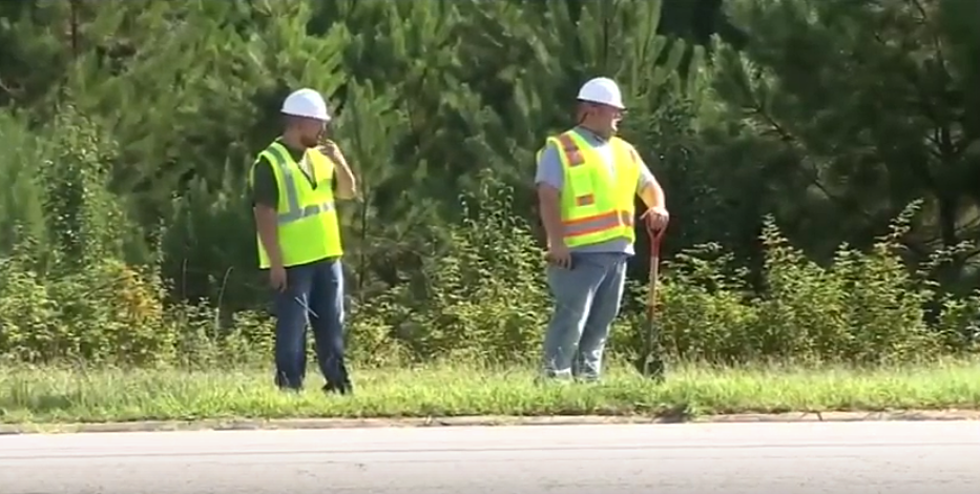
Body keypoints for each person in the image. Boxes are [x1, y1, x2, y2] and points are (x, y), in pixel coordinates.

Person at [534, 76, 670, 381]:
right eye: (614, 110)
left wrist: (657, 206)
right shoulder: (562, 147)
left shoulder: (625, 151)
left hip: (617, 250)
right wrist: (556, 243)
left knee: (601, 322)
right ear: (592, 110)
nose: (619, 116)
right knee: (572, 318)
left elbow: (650, 187)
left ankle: (587, 380)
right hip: (577, 252)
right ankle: (554, 379)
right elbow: (548, 195)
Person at [248, 88, 358, 394]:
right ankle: (290, 387)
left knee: (331, 325)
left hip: (327, 255)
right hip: (293, 262)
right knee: (293, 329)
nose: (323, 129)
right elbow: (265, 214)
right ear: (298, 122)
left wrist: (340, 161)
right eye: (317, 123)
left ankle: (337, 384)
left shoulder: (321, 158)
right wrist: (276, 262)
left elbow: (348, 192)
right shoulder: (269, 163)